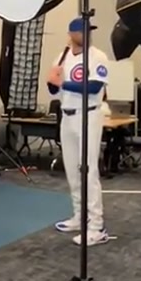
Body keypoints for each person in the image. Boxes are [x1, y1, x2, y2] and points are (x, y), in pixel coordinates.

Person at [46, 17, 110, 246]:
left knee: (89, 170)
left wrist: (63, 83)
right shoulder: (62, 57)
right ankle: (79, 216)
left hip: (89, 114)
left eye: (89, 30)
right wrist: (53, 80)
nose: (87, 34)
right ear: (71, 33)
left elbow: (94, 86)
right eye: (82, 31)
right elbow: (53, 89)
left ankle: (96, 226)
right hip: (67, 115)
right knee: (72, 170)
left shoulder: (97, 56)